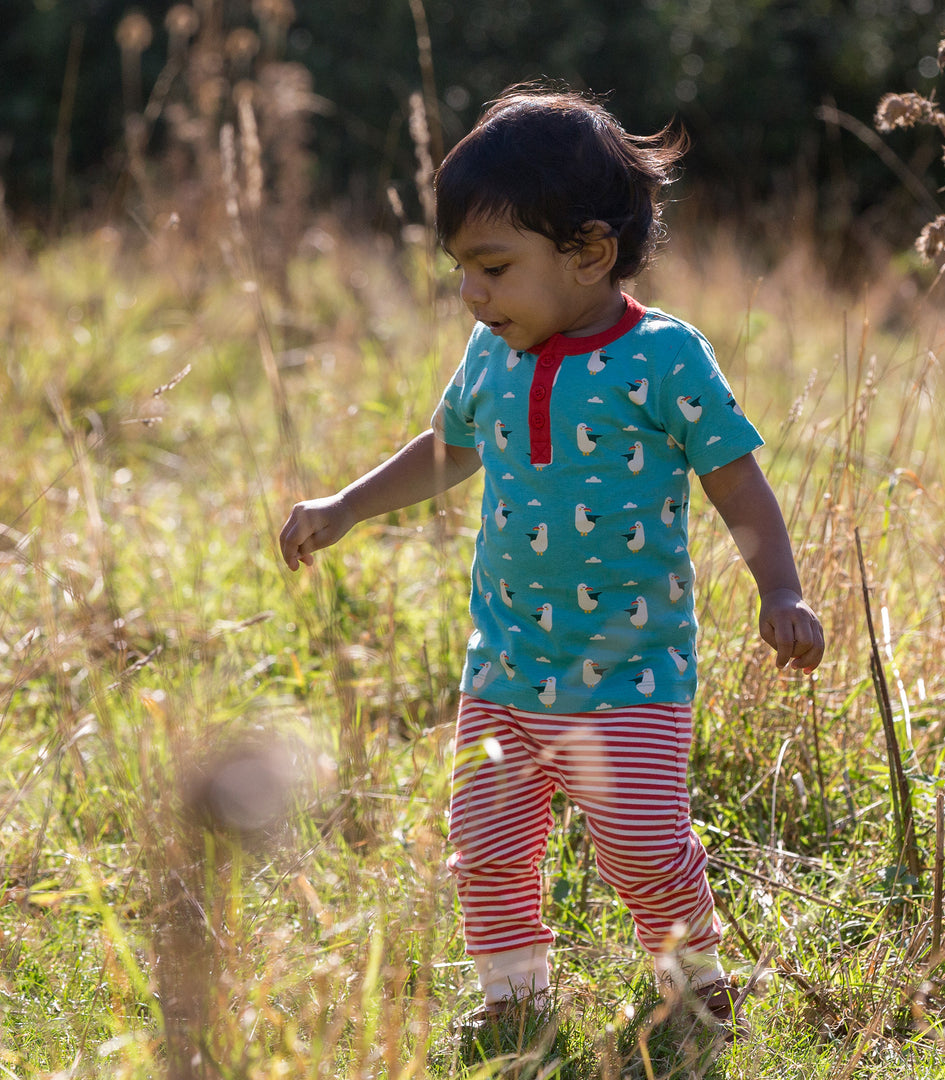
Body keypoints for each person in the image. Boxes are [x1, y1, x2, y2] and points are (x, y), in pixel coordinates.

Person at [279, 86, 824, 1029]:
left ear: (588, 253)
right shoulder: (492, 355)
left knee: (646, 848)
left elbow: (737, 485)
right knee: (484, 847)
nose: (471, 294)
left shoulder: (665, 360)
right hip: (505, 666)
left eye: (492, 267)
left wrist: (781, 588)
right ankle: (513, 1000)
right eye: (461, 270)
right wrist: (348, 506)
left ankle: (695, 977)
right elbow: (447, 448)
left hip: (630, 673)